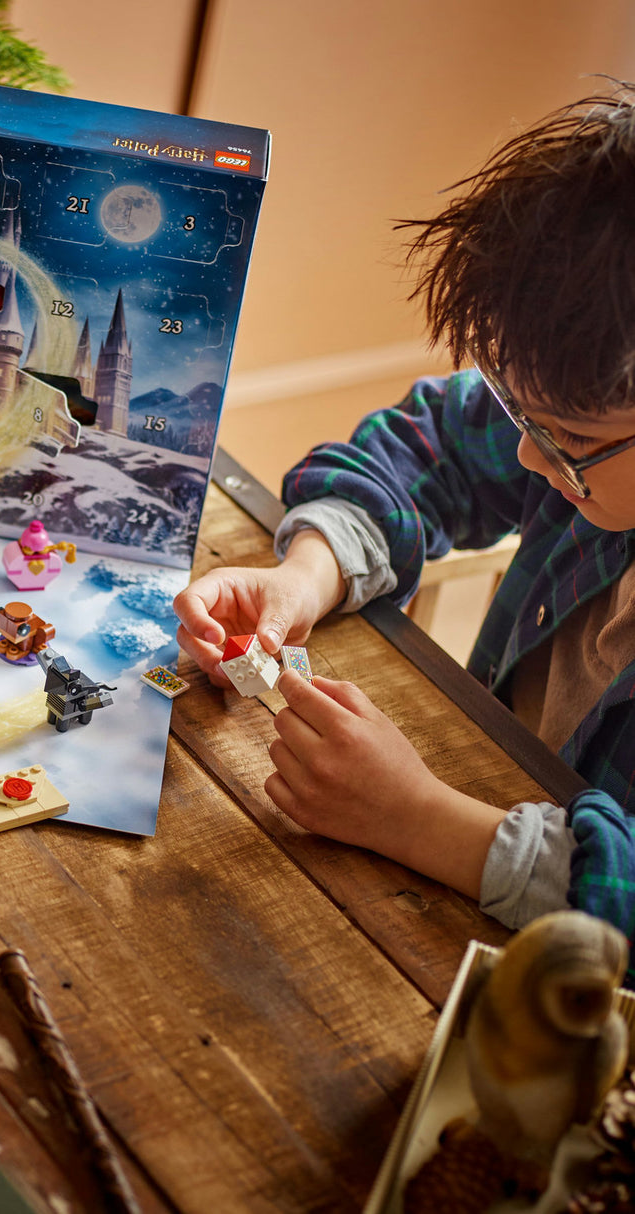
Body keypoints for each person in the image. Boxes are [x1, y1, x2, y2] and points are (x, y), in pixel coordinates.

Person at [174, 84, 635, 963]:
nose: (532, 459)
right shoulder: (586, 403)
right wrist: (307, 573)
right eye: (520, 414)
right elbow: (434, 449)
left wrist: (422, 820)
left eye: (571, 441)